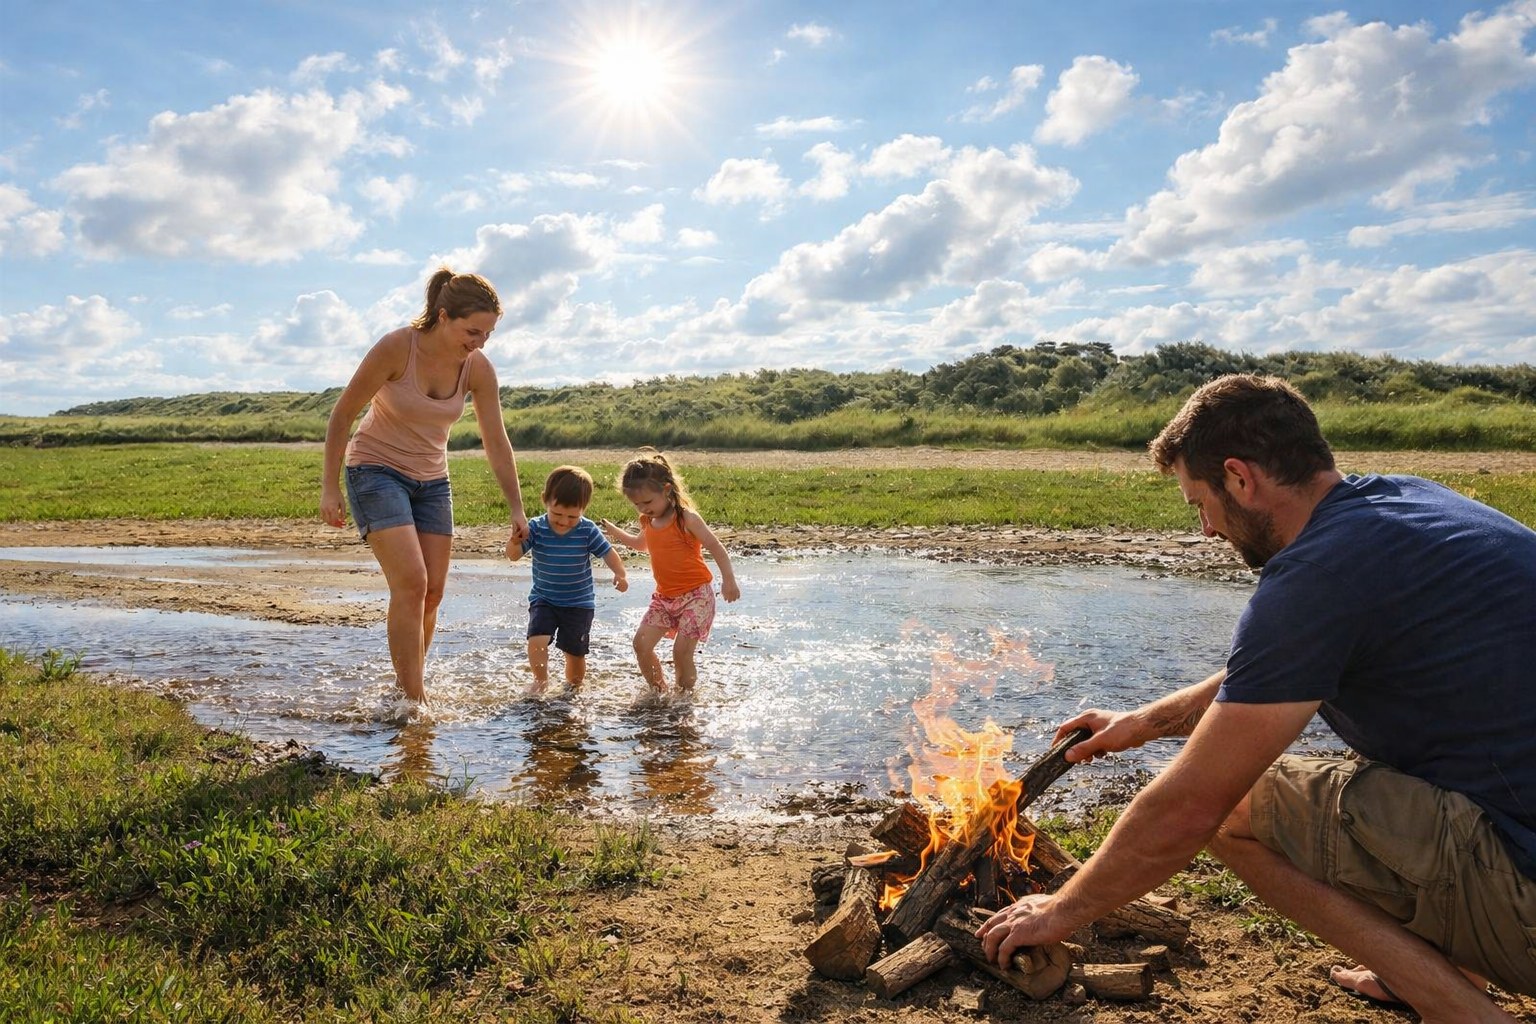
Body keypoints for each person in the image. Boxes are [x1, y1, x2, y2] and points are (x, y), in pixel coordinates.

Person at [977, 374, 1536, 1023]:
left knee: (1235, 809)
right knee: (1394, 767)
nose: (1208, 528)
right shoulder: (1404, 507)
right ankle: (1449, 966)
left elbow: (1189, 808)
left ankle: (1462, 1011)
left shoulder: (1317, 577)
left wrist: (1061, 908)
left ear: (1240, 478)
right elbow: (1278, 671)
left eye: (1199, 503)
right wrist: (1146, 723)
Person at [320, 267, 529, 704]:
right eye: (473, 331)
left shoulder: (478, 368)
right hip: (375, 470)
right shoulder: (398, 348)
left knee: (432, 592)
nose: (480, 342)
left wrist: (516, 507)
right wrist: (329, 487)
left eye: (488, 334)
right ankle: (415, 704)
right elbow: (342, 415)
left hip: (432, 481)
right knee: (412, 582)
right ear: (443, 315)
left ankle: (406, 688)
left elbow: (496, 440)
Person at [599, 448, 740, 694]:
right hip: (664, 599)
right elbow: (641, 545)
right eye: (637, 504)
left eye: (647, 502)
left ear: (666, 489)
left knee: (680, 652)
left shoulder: (686, 519)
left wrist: (729, 580)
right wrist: (615, 533)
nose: (643, 509)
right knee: (641, 645)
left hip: (697, 597)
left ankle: (685, 696)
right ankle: (658, 692)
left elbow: (716, 547)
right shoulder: (648, 521)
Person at [506, 465, 628, 695]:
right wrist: (514, 541)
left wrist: (620, 573)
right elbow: (513, 556)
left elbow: (608, 553)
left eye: (572, 516)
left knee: (575, 652)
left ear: (584, 509)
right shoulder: (536, 528)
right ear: (545, 501)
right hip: (544, 599)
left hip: (579, 604)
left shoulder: (587, 530)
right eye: (557, 514)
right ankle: (540, 683)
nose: (563, 521)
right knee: (536, 640)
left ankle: (574, 688)